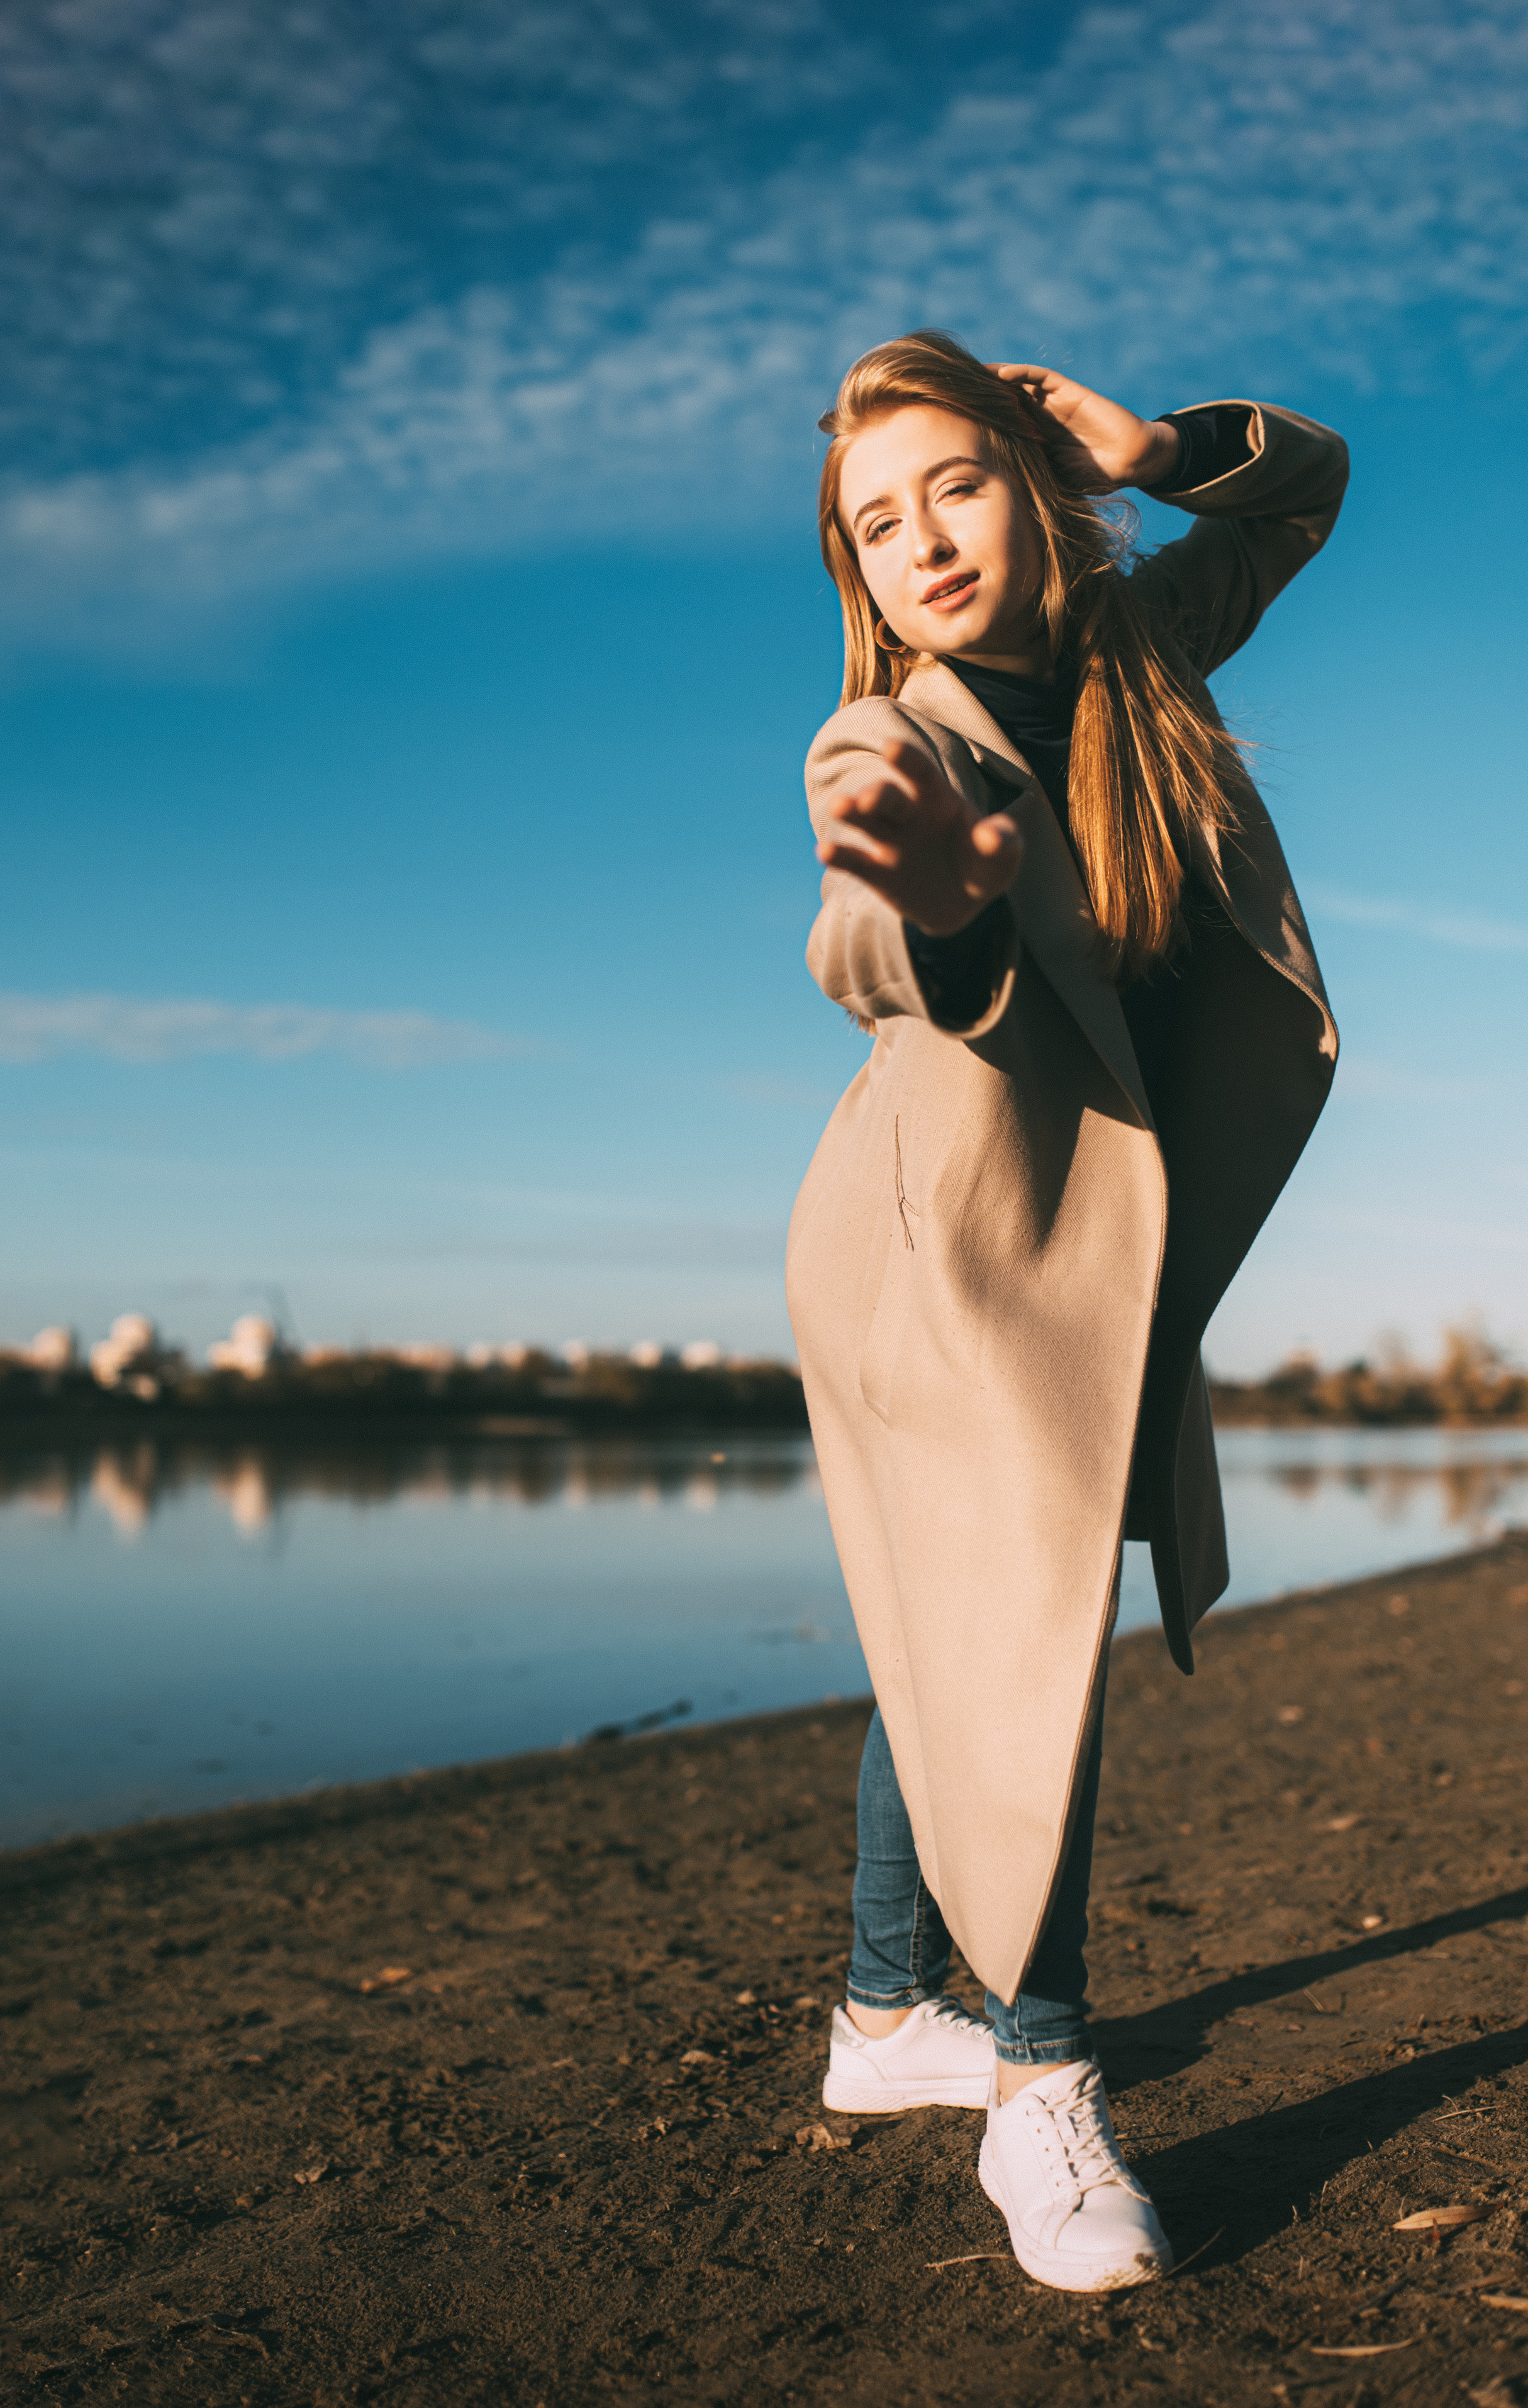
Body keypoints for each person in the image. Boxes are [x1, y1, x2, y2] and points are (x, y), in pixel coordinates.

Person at [785, 332, 1346, 2293]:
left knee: (975, 1617)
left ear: (1038, 491)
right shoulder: (905, 738)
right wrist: (924, 901)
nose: (919, 540)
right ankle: (1040, 2085)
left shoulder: (1139, 656)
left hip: (1083, 1230)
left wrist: (1164, 441)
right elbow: (856, 898)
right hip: (941, 1236)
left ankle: (879, 2018)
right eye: (876, 522)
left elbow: (1303, 494)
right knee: (1027, 1606)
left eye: (953, 483)